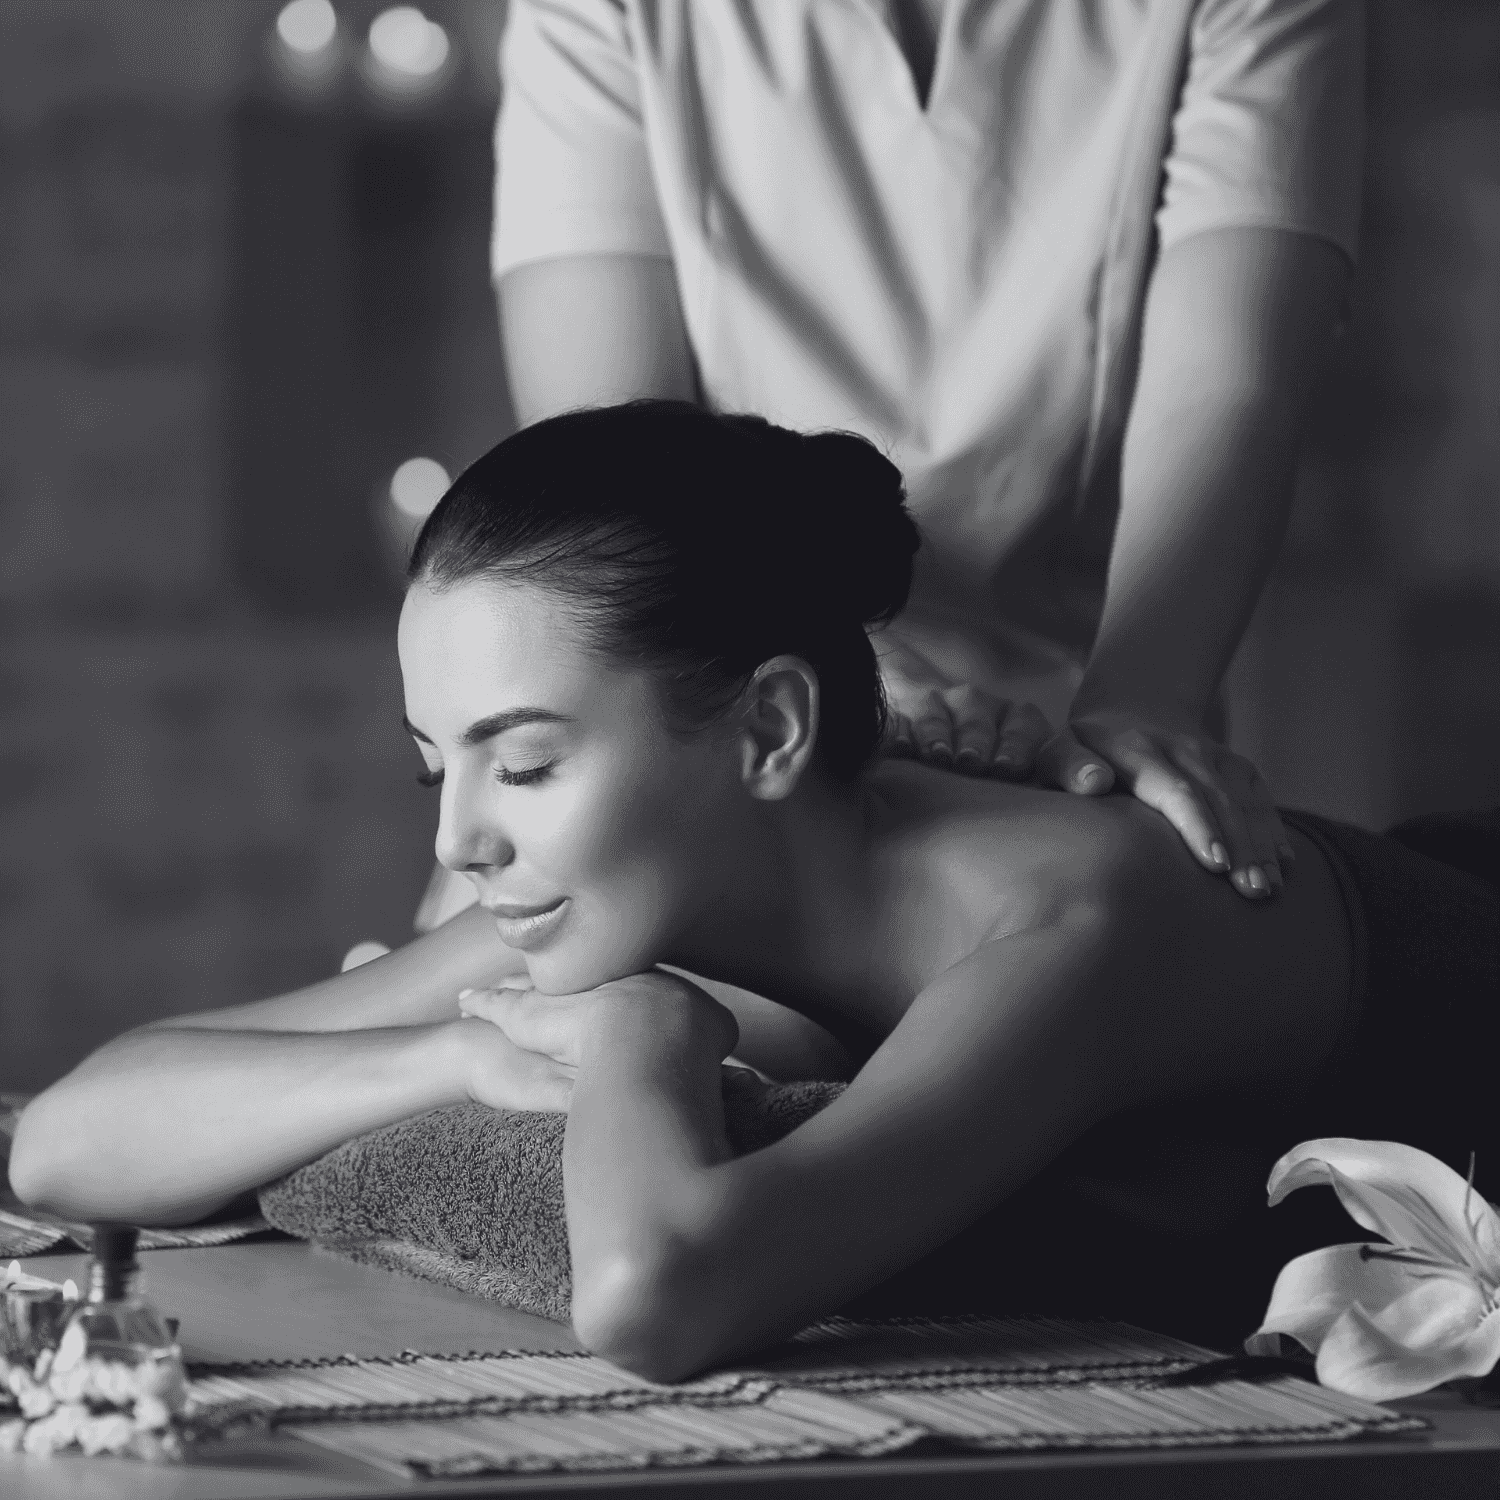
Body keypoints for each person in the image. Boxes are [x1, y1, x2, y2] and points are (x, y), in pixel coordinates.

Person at [11, 406, 1496, 1380]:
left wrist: (638, 1039)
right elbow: (70, 1140)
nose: (459, 839)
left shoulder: (1066, 922)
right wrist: (449, 1056)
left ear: (770, 730)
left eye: (523, 764)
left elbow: (655, 1298)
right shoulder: (631, 883)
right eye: (432, 770)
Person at [482, 0, 1366, 906]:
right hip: (731, 705)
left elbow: (1225, 384)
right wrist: (844, 672)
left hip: (1086, 742)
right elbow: (617, 455)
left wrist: (1143, 704)